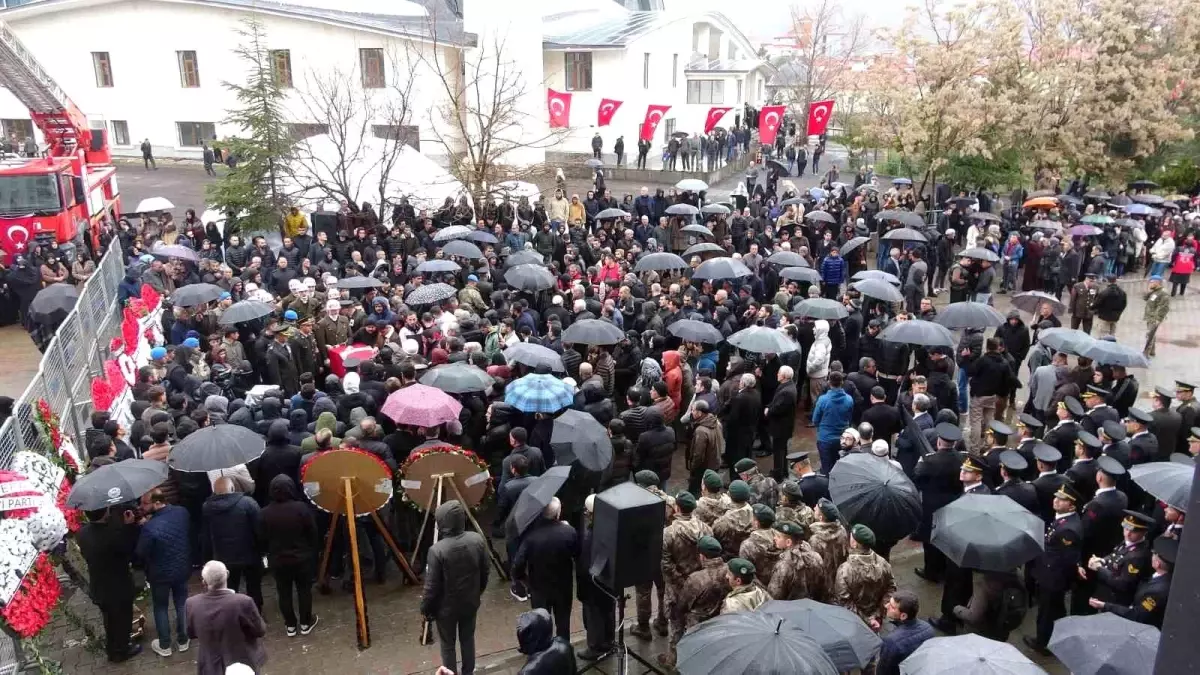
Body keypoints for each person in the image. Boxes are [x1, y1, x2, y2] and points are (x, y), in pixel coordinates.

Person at [421, 500, 489, 675]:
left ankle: (450, 673)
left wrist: (426, 608)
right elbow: (485, 571)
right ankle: (469, 671)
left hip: (446, 609)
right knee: (468, 639)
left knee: (448, 645)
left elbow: (432, 587)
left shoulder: (437, 551)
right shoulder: (477, 539)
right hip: (470, 602)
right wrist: (477, 592)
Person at [77, 504, 142, 662]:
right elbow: (128, 550)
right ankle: (122, 649)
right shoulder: (113, 535)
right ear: (105, 512)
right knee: (123, 619)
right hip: (118, 586)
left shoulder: (82, 533)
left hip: (100, 585)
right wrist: (130, 526)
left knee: (109, 620)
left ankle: (112, 648)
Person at [1024, 484, 1084, 655]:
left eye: (1062, 499)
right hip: (1050, 574)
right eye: (1056, 496)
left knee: (1047, 612)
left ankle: (1043, 643)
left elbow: (1066, 559)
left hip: (1053, 578)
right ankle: (1056, 637)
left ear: (1072, 505)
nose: (1056, 500)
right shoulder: (1063, 520)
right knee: (1054, 610)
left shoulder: (1069, 529)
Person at [257, 475, 319, 636]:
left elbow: (261, 537)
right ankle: (306, 622)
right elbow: (312, 532)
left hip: (278, 559)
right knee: (304, 590)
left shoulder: (264, 513)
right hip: (301, 558)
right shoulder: (301, 508)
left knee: (283, 592)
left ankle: (290, 624)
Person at [658, 492, 713, 667]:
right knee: (696, 624)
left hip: (677, 587)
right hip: (700, 584)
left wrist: (680, 582)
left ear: (677, 508)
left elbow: (666, 565)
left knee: (676, 624)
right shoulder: (706, 528)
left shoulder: (668, 533)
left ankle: (673, 661)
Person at [184, 561, 267, 675]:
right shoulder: (243, 602)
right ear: (227, 574)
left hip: (210, 665)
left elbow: (191, 633)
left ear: (204, 581)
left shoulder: (192, 604)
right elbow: (260, 630)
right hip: (242, 663)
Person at [136, 489, 192, 657]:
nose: (141, 507)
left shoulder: (150, 528)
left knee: (160, 607)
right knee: (182, 603)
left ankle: (165, 644)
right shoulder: (182, 512)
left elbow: (140, 553)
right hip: (182, 567)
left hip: (159, 574)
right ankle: (183, 640)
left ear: (157, 503)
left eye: (145, 504)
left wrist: (143, 527)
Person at [512, 497, 578, 640]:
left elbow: (517, 564)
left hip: (539, 588)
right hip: (563, 587)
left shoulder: (531, 537)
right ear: (558, 513)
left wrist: (525, 581)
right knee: (563, 623)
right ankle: (563, 649)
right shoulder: (569, 531)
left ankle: (543, 650)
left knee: (541, 623)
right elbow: (577, 554)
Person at [201, 476, 263, 612]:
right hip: (249, 554)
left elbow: (206, 534)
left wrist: (207, 557)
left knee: (229, 588)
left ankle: (232, 614)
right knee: (254, 586)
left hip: (223, 557)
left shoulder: (207, 507)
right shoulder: (248, 503)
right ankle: (255, 613)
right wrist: (262, 550)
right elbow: (259, 528)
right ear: (233, 488)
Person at [1088, 536, 1176, 628]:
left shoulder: (1158, 592)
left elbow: (1137, 614)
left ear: (1157, 563)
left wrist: (1105, 606)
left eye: (1154, 554)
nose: (1151, 555)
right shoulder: (1159, 576)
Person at [834, 524, 895, 627]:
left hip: (855, 620)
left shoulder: (845, 570)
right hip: (877, 618)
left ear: (854, 544)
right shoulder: (884, 563)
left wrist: (867, 620)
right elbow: (891, 588)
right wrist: (878, 613)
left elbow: (844, 601)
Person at [877, 590, 935, 675]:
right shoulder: (928, 628)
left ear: (903, 616)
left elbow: (883, 671)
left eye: (892, 607)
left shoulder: (891, 642)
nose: (886, 606)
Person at [812, 371, 853, 471]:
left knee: (826, 468)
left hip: (825, 439)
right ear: (842, 382)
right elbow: (849, 418)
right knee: (840, 468)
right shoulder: (849, 399)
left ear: (829, 382)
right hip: (843, 439)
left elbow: (815, 420)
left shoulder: (822, 400)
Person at [765, 365, 798, 480]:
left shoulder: (787, 392)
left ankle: (778, 474)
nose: (777, 374)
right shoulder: (787, 386)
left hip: (781, 427)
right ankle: (783, 471)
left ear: (784, 376)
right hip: (783, 426)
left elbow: (778, 408)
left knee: (779, 451)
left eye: (779, 373)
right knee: (782, 450)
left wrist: (768, 411)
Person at [686, 400, 724, 495]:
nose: (692, 412)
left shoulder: (701, 431)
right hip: (715, 463)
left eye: (693, 410)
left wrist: (693, 468)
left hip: (703, 467)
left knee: (695, 490)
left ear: (699, 413)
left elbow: (698, 454)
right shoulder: (716, 422)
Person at [1143, 275, 1170, 357]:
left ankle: (1146, 353)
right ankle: (1152, 351)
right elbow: (1145, 298)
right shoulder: (1155, 291)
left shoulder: (1163, 293)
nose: (1149, 284)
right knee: (1152, 334)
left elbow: (1163, 307)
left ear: (1157, 283)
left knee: (1149, 335)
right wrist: (1150, 291)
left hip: (1154, 318)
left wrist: (1157, 319)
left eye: (1151, 282)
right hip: (1150, 316)